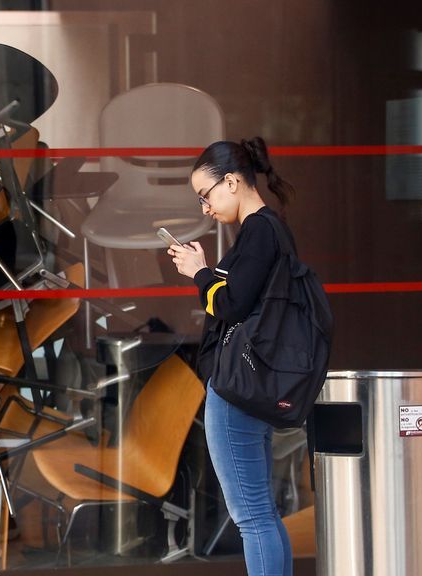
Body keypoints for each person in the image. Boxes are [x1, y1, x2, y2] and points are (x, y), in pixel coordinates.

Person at [167, 137, 296, 576]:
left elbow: (233, 305)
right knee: (263, 512)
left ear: (234, 181)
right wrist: (208, 272)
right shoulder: (270, 229)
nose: (204, 207)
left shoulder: (259, 230)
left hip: (237, 390)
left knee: (252, 517)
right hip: (253, 385)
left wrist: (199, 273)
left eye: (206, 195)